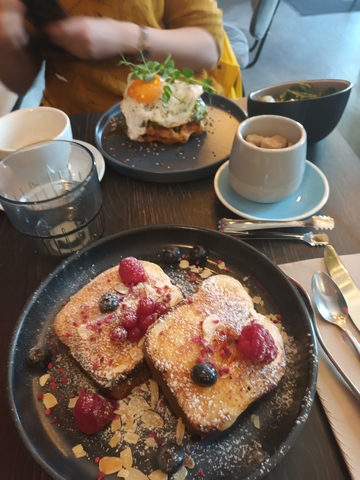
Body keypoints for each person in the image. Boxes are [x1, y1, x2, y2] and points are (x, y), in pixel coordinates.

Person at [0, 0, 242, 114]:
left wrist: (125, 37)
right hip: (78, 124)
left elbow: (207, 50)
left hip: (174, 109)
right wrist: (7, 36)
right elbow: (19, 82)